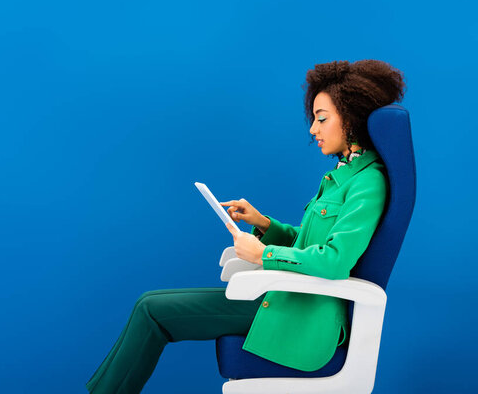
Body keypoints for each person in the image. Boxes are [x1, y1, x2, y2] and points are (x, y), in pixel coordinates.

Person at [85, 59, 406, 394]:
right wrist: (263, 224)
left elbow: (335, 260)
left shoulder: (368, 183)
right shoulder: (343, 177)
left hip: (302, 315)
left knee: (151, 310)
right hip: (286, 299)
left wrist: (264, 253)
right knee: (148, 303)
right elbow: (306, 244)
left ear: (352, 118)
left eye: (322, 118)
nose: (313, 128)